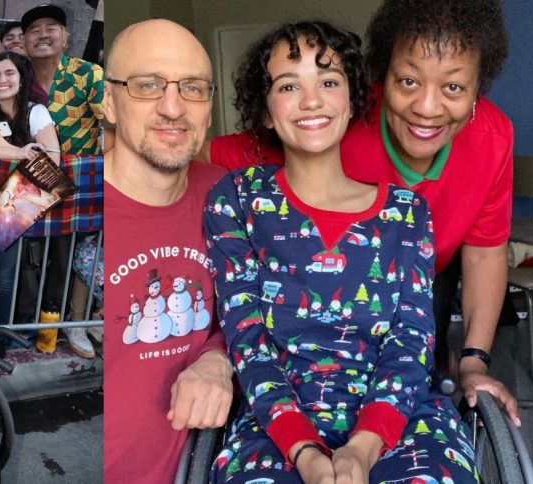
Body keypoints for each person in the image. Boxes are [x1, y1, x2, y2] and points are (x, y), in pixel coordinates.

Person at [205, 0, 520, 424]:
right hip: (319, 302)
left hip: (426, 278)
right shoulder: (338, 117)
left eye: (453, 87)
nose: (426, 107)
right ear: (381, 76)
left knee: (425, 376)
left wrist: (474, 361)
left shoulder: (493, 137)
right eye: (407, 81)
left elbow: (484, 253)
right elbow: (206, 151)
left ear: (478, 87)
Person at [104, 19, 233, 483]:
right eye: (147, 85)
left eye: (193, 88)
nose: (173, 107)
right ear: (109, 101)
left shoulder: (225, 195)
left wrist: (218, 358)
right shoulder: (68, 193)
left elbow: (256, 310)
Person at [12, 4, 105, 353]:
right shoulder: (17, 78)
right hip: (30, 183)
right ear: (23, 41)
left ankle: (72, 326)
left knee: (71, 259)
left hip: (79, 187)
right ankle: (25, 326)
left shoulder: (87, 74)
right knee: (27, 259)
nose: (43, 34)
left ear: (65, 38)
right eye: (34, 30)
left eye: (52, 28)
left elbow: (111, 124)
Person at [0, 50, 59, 330]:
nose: (2, 80)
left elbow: (50, 162)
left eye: (9, 73)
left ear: (21, 78)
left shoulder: (36, 112)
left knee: (5, 278)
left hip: (20, 200)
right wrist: (17, 151)